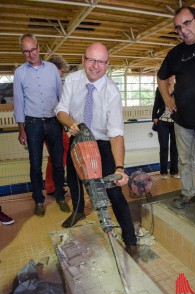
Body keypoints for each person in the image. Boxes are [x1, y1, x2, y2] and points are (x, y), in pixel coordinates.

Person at [55, 42, 138, 258]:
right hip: (77, 137)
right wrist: (70, 122)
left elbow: (116, 132)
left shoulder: (111, 91)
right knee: (73, 180)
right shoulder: (72, 80)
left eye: (101, 61)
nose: (95, 66)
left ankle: (130, 239)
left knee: (113, 190)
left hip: (101, 143)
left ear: (107, 64)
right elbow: (61, 110)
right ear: (83, 60)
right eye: (91, 59)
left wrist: (120, 168)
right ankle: (78, 211)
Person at [13, 33, 70, 217]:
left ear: (39, 48)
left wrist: (65, 121)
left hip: (54, 122)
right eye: (26, 51)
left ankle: (60, 196)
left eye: (33, 49)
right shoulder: (19, 73)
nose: (31, 54)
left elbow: (61, 96)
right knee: (35, 164)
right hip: (33, 124)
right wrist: (22, 130)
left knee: (58, 163)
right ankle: (38, 200)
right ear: (23, 52)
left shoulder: (53, 69)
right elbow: (19, 102)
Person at [157, 6, 195, 209]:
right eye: (178, 28)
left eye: (187, 23)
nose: (183, 30)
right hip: (183, 118)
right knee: (185, 161)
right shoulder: (175, 53)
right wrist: (166, 98)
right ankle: (188, 193)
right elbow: (161, 77)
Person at [45, 56, 69, 196]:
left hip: (53, 123)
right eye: (62, 71)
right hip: (52, 123)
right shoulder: (51, 84)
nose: (63, 75)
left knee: (55, 156)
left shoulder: (52, 83)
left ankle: (53, 183)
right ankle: (53, 185)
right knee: (59, 153)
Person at [152, 76, 179, 180]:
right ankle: (163, 172)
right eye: (168, 77)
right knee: (164, 147)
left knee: (174, 148)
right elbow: (156, 103)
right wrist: (154, 116)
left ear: (174, 77)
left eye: (172, 76)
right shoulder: (160, 88)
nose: (170, 78)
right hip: (162, 121)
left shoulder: (179, 87)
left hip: (175, 122)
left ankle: (174, 171)